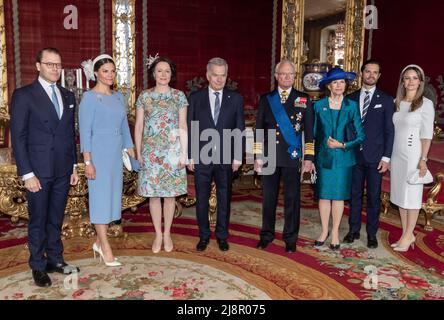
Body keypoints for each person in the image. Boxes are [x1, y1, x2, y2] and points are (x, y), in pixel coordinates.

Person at [10, 47, 79, 287]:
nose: (55, 69)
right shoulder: (23, 95)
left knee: (56, 218)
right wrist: (27, 173)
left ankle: (56, 259)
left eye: (58, 65)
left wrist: (73, 166)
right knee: (38, 220)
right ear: (38, 66)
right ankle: (38, 265)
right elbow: (18, 137)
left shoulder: (68, 96)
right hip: (37, 172)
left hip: (62, 169)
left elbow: (70, 135)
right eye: (50, 64)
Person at [79, 54, 135, 266]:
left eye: (112, 71)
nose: (110, 75)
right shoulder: (89, 98)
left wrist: (131, 152)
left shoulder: (119, 97)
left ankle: (98, 241)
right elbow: (85, 132)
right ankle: (105, 247)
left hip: (115, 155)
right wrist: (88, 162)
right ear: (95, 73)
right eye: (105, 71)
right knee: (100, 200)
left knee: (112, 201)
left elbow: (124, 128)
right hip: (98, 155)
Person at [254, 59, 315, 253]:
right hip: (269, 155)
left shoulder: (304, 99)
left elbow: (310, 132)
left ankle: (290, 237)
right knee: (268, 199)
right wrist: (256, 155)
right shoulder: (266, 99)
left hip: (292, 155)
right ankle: (266, 235)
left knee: (292, 199)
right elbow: (258, 130)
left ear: (294, 76)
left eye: (291, 74)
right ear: (276, 76)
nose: (287, 77)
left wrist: (309, 158)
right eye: (283, 74)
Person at [187, 57, 245, 252]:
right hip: (202, 156)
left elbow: (239, 128)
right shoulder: (195, 98)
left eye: (223, 76)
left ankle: (222, 235)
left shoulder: (235, 99)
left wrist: (238, 157)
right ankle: (203, 235)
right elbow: (190, 127)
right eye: (215, 76)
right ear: (208, 76)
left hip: (226, 158)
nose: (219, 80)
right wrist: (190, 155)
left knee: (224, 196)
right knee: (201, 198)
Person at [134, 56, 188, 253]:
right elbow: (139, 126)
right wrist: (138, 152)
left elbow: (183, 125)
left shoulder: (179, 96)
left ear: (171, 74)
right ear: (153, 73)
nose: (163, 74)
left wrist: (185, 153)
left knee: (170, 196)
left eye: (167, 71)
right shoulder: (144, 96)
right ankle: (158, 234)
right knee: (154, 196)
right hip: (150, 153)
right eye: (159, 71)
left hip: (173, 153)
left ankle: (167, 233)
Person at [312, 67, 365, 251]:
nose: (339, 85)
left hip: (343, 160)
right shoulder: (318, 106)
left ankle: (335, 232)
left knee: (339, 197)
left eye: (342, 81)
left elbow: (360, 136)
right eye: (335, 82)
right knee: (324, 196)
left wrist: (342, 145)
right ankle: (324, 230)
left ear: (346, 84)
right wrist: (310, 157)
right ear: (328, 85)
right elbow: (312, 134)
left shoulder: (351, 106)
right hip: (324, 159)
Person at [344, 59, 395, 249]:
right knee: (354, 195)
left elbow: (390, 131)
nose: (371, 75)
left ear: (379, 76)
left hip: (376, 158)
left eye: (375, 72)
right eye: (368, 71)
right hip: (353, 157)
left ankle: (372, 234)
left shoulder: (387, 100)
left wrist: (386, 157)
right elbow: (346, 127)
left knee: (373, 197)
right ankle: (353, 230)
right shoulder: (350, 99)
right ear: (361, 73)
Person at [390, 64, 434, 252]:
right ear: (402, 81)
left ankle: (409, 235)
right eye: (407, 78)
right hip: (397, 154)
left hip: (414, 155)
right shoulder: (397, 103)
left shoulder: (426, 104)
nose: (411, 82)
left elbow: (426, 135)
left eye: (415, 78)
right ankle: (406, 234)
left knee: (412, 196)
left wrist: (423, 158)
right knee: (400, 196)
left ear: (420, 82)